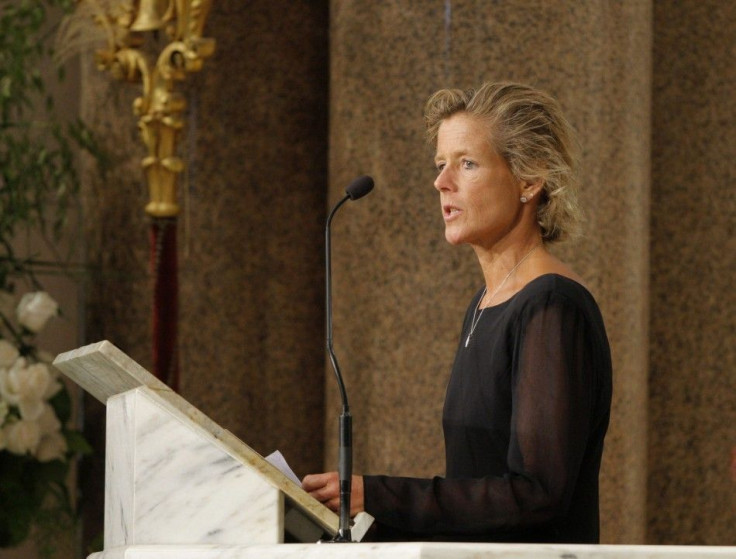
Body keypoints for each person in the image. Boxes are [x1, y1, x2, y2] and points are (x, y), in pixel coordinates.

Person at [302, 82, 612, 544]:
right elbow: (474, 500)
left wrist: (379, 496)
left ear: (529, 180)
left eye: (467, 163)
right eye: (440, 164)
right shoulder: (484, 306)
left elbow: (536, 495)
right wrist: (356, 524)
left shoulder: (551, 307)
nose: (441, 182)